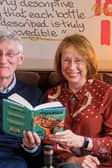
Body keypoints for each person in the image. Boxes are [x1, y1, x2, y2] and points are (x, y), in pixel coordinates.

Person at [44, 34, 112, 168]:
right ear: (59, 63)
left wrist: (83, 141)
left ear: (88, 63)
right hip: (66, 164)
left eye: (78, 60)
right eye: (66, 60)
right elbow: (47, 141)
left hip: (101, 164)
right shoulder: (51, 96)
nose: (72, 67)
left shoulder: (107, 92)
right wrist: (72, 159)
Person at [0, 31, 43, 168]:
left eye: (10, 54)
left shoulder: (34, 95)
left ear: (21, 59)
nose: (2, 60)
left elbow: (38, 155)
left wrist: (32, 147)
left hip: (14, 160)